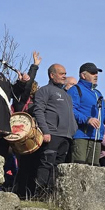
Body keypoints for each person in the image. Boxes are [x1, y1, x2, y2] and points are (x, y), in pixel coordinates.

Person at [29, 64, 76, 196]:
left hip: (66, 136)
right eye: (61, 74)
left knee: (57, 166)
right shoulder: (45, 90)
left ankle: (51, 196)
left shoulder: (66, 95)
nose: (64, 76)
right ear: (52, 75)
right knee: (46, 164)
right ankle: (39, 195)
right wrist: (45, 131)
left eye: (65, 73)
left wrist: (72, 130)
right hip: (52, 134)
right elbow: (39, 111)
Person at [70, 62, 105, 165]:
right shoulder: (75, 90)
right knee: (79, 167)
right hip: (81, 136)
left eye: (96, 73)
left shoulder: (98, 93)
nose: (96, 75)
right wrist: (87, 119)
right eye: (93, 73)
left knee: (94, 170)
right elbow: (71, 110)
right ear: (83, 75)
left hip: (96, 137)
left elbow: (103, 111)